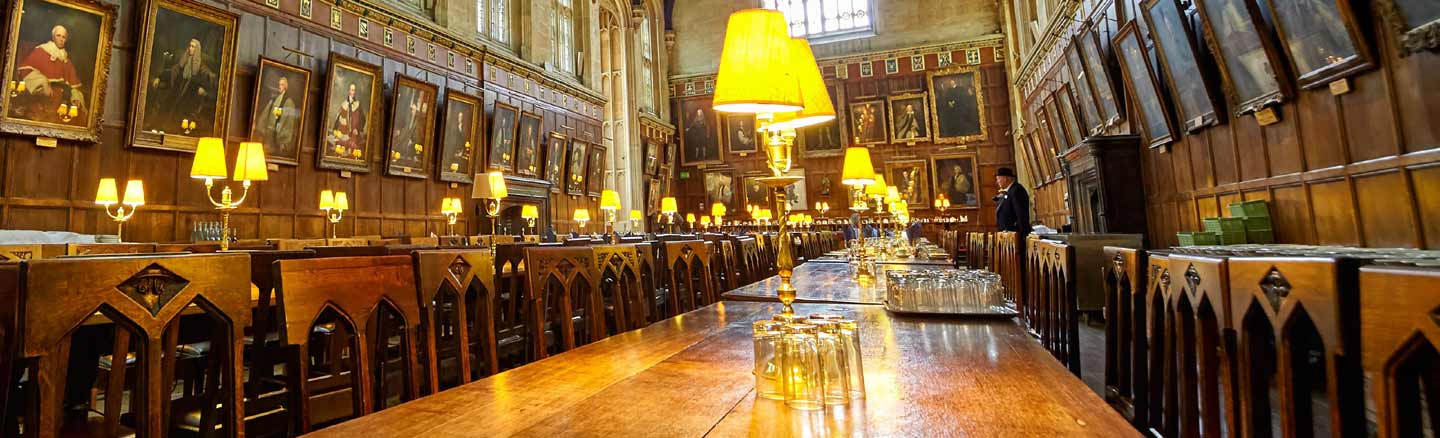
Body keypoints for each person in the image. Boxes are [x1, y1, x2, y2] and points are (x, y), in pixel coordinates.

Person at [12, 25, 86, 125]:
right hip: (42, 98)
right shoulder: (41, 51)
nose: (61, 39)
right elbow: (25, 71)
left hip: (61, 102)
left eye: (64, 37)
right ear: (53, 37)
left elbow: (74, 85)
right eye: (58, 36)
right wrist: (43, 83)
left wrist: (76, 97)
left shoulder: (66, 59)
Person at [148, 38, 218, 135]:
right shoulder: (183, 61)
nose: (190, 48)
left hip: (190, 95)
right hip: (176, 90)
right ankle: (159, 128)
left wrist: (204, 89)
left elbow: (208, 77)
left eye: (193, 46)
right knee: (166, 107)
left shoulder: (201, 66)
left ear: (197, 49)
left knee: (181, 115)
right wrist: (159, 78)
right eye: (190, 45)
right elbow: (172, 71)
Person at [257, 76, 298, 157]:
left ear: (286, 87)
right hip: (270, 133)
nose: (280, 86)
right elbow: (267, 114)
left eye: (282, 85)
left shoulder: (288, 102)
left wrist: (282, 141)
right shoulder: (275, 99)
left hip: (277, 136)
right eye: (279, 84)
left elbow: (288, 122)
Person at [329, 82, 366, 159]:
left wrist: (357, 129)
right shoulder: (344, 104)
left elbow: (363, 119)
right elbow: (338, 120)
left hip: (354, 133)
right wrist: (337, 131)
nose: (352, 92)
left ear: (355, 92)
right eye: (350, 89)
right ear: (348, 91)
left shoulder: (358, 104)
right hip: (344, 132)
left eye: (353, 90)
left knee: (353, 149)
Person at [994, 167, 1030, 241]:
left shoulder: (1016, 190)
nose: (997, 182)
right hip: (1008, 235)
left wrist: (1021, 235)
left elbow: (1021, 214)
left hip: (1015, 235)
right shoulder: (1010, 191)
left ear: (1005, 178)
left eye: (998, 179)